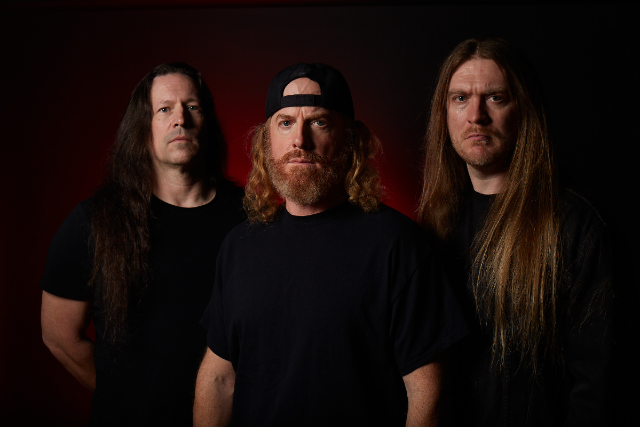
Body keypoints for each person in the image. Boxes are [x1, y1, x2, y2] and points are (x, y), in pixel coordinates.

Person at [193, 63, 468, 426]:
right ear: (266, 141)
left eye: (319, 122)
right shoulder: (239, 246)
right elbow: (219, 378)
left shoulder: (398, 244)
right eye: (285, 123)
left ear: (351, 139)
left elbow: (427, 393)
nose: (299, 141)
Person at [417, 37, 616, 426]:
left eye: (496, 97)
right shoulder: (435, 223)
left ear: (523, 108)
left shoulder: (576, 226)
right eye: (460, 98)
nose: (476, 115)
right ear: (444, 113)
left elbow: (599, 388)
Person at [40, 63, 245, 426]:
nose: (180, 119)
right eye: (164, 109)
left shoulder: (249, 220)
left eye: (192, 106)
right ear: (142, 126)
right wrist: (124, 397)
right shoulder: (95, 221)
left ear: (208, 121)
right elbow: (59, 336)